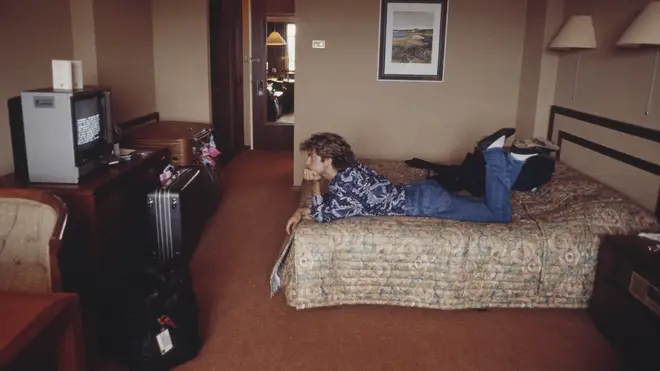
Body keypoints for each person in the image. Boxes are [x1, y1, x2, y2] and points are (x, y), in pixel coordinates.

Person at [285, 129, 557, 234]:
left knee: (500, 216)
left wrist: (313, 185)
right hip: (424, 192)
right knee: (489, 202)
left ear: (328, 160)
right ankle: (518, 159)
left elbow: (324, 215)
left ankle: (495, 153)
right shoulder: (351, 169)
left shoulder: (342, 184)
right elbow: (334, 206)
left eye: (312, 157)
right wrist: (303, 209)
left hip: (429, 204)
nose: (307, 162)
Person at [405, 138, 558, 197]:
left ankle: (435, 175)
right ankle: (435, 176)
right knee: (464, 174)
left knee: (465, 174)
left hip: (485, 183)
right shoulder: (543, 166)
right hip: (487, 179)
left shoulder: (543, 168)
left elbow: (520, 183)